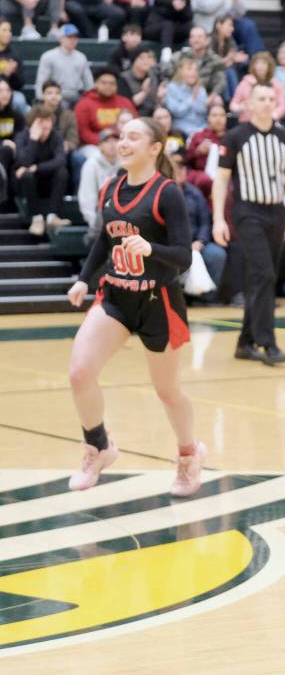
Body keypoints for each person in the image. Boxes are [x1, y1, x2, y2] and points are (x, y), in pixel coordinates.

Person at [65, 116, 203, 495]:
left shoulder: (167, 193)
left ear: (155, 148)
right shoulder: (111, 188)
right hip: (117, 299)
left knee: (168, 392)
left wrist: (151, 249)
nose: (123, 143)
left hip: (159, 303)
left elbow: (183, 256)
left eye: (133, 137)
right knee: (80, 372)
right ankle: (98, 447)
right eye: (121, 136)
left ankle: (190, 455)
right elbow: (102, 243)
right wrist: (83, 279)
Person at [212, 82, 285, 365]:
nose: (268, 103)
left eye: (272, 98)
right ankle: (267, 343)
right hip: (247, 213)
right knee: (265, 274)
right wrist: (218, 218)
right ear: (250, 103)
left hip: (277, 212)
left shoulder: (284, 137)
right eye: (262, 98)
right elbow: (221, 180)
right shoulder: (235, 136)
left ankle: (244, 343)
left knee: (260, 277)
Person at [172, 150, 224, 299]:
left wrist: (200, 241)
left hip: (196, 242)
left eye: (182, 168)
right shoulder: (163, 192)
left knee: (217, 254)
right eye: (176, 168)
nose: (180, 171)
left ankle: (207, 298)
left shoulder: (195, 193)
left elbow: (205, 221)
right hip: (172, 244)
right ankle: (179, 298)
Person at [17, 104, 69, 236]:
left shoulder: (56, 136)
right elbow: (23, 163)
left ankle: (52, 216)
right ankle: (36, 218)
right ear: (32, 123)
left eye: (48, 120)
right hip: (27, 185)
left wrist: (37, 168)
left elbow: (61, 160)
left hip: (48, 182)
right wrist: (34, 140)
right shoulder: (22, 137)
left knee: (62, 171)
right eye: (40, 121)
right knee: (27, 175)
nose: (45, 125)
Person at [192, 0, 263, 59]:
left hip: (228, 28)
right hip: (208, 30)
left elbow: (241, 12)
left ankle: (258, 58)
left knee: (248, 24)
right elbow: (209, 8)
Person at [75, 66, 137, 159]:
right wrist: (106, 144)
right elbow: (84, 132)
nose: (108, 86)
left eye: (112, 83)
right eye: (103, 83)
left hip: (123, 142)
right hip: (94, 146)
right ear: (96, 84)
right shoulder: (84, 104)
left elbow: (136, 124)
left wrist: (120, 142)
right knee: (99, 156)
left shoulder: (125, 102)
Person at [78, 126, 119, 240]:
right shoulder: (91, 164)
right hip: (99, 218)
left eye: (115, 140)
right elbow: (87, 199)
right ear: (100, 146)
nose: (112, 144)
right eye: (107, 141)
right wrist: (94, 224)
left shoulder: (125, 163)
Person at [36, 24, 94, 104]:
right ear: (61, 38)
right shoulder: (48, 56)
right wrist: (41, 99)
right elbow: (41, 81)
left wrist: (92, 98)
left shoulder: (81, 57)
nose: (73, 40)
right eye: (69, 37)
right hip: (57, 95)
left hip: (77, 95)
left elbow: (89, 82)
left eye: (75, 37)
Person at [167, 26, 226, 100]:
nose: (196, 40)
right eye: (193, 37)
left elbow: (220, 82)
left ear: (207, 40)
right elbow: (166, 73)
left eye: (199, 37)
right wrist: (164, 86)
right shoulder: (180, 56)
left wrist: (213, 95)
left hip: (204, 96)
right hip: (179, 95)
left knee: (217, 100)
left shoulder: (215, 60)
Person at [144, 0, 193, 64]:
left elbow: (188, 17)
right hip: (154, 29)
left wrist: (182, 8)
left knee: (190, 26)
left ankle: (188, 51)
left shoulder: (184, 1)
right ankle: (166, 55)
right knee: (168, 24)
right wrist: (173, 2)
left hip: (173, 32)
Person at [229, 50, 285, 123]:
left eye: (263, 63)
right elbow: (233, 104)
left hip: (270, 122)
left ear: (269, 66)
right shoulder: (244, 83)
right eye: (257, 63)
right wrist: (240, 107)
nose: (260, 66)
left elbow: (282, 105)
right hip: (247, 122)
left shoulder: (276, 84)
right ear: (253, 66)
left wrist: (273, 116)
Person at [184, 101, 225, 194]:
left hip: (225, 176)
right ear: (208, 118)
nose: (218, 119)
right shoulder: (198, 136)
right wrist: (197, 151)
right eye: (214, 115)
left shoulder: (231, 137)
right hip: (202, 176)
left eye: (222, 115)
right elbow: (186, 160)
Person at [165, 56, 208, 135]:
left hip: (202, 128)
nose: (193, 72)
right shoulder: (172, 87)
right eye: (189, 69)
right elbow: (177, 112)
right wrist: (192, 99)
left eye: (195, 70)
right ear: (180, 71)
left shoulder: (201, 89)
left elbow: (203, 111)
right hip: (181, 129)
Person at [118, 48, 162, 117]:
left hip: (151, 116)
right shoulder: (123, 78)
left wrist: (160, 98)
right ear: (133, 60)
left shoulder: (154, 76)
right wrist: (144, 92)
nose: (146, 61)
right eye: (142, 58)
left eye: (149, 57)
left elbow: (155, 102)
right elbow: (126, 105)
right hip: (131, 115)